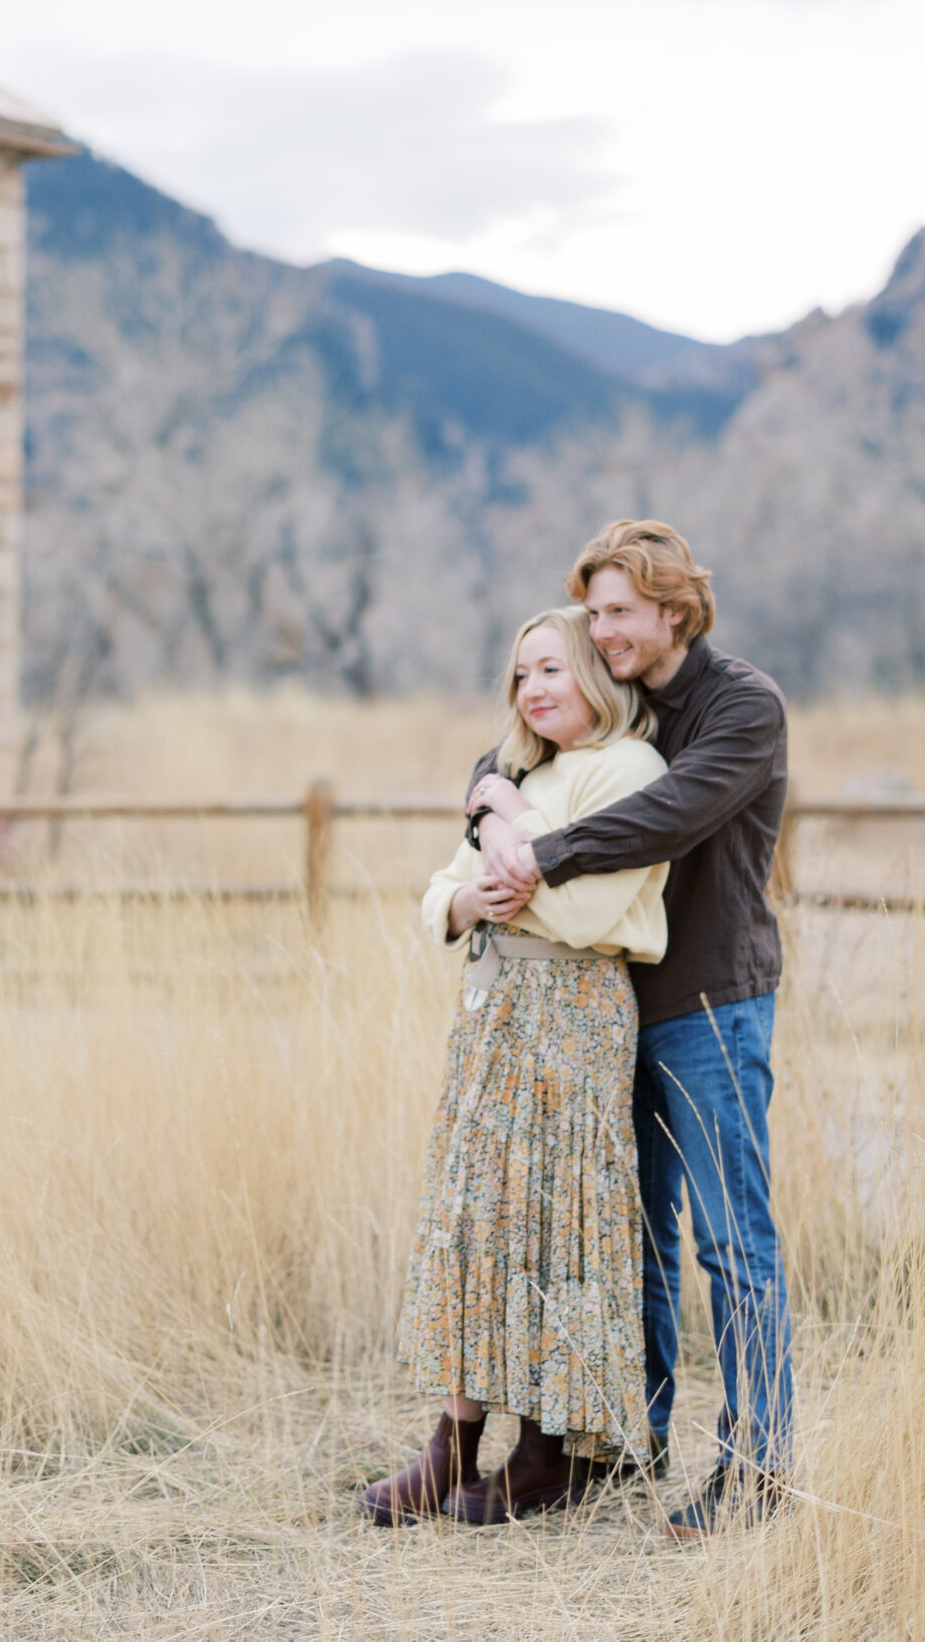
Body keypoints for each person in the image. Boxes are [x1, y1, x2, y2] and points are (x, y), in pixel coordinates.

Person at [469, 521, 792, 1540]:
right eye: (594, 611)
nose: (602, 631)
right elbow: (504, 758)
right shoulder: (622, 700)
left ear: (672, 612)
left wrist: (540, 855)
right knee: (630, 1239)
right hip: (608, 1014)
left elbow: (675, 814)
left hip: (709, 1006)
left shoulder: (739, 706)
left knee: (731, 1243)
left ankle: (754, 1470)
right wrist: (490, 812)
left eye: (618, 612)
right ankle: (628, 1445)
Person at [360, 605, 672, 1527]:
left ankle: (545, 1448)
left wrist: (510, 847)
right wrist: (470, 902)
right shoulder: (516, 768)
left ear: (595, 674)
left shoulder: (631, 771)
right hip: (492, 1014)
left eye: (552, 669)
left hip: (573, 1014)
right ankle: (451, 1443)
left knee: (552, 1218)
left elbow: (587, 914)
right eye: (521, 674)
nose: (533, 690)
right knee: (473, 1215)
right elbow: (438, 893)